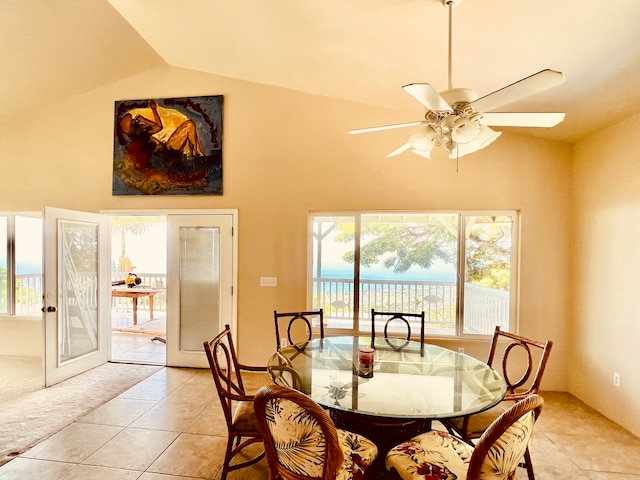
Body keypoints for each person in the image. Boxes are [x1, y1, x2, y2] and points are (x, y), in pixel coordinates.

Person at [118, 99, 205, 158]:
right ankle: (197, 152)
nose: (135, 120)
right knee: (189, 125)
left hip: (166, 149)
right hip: (167, 152)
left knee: (189, 124)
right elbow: (158, 127)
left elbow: (157, 126)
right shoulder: (142, 136)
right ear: (133, 127)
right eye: (133, 121)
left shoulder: (142, 133)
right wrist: (153, 110)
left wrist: (148, 115)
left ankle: (197, 151)